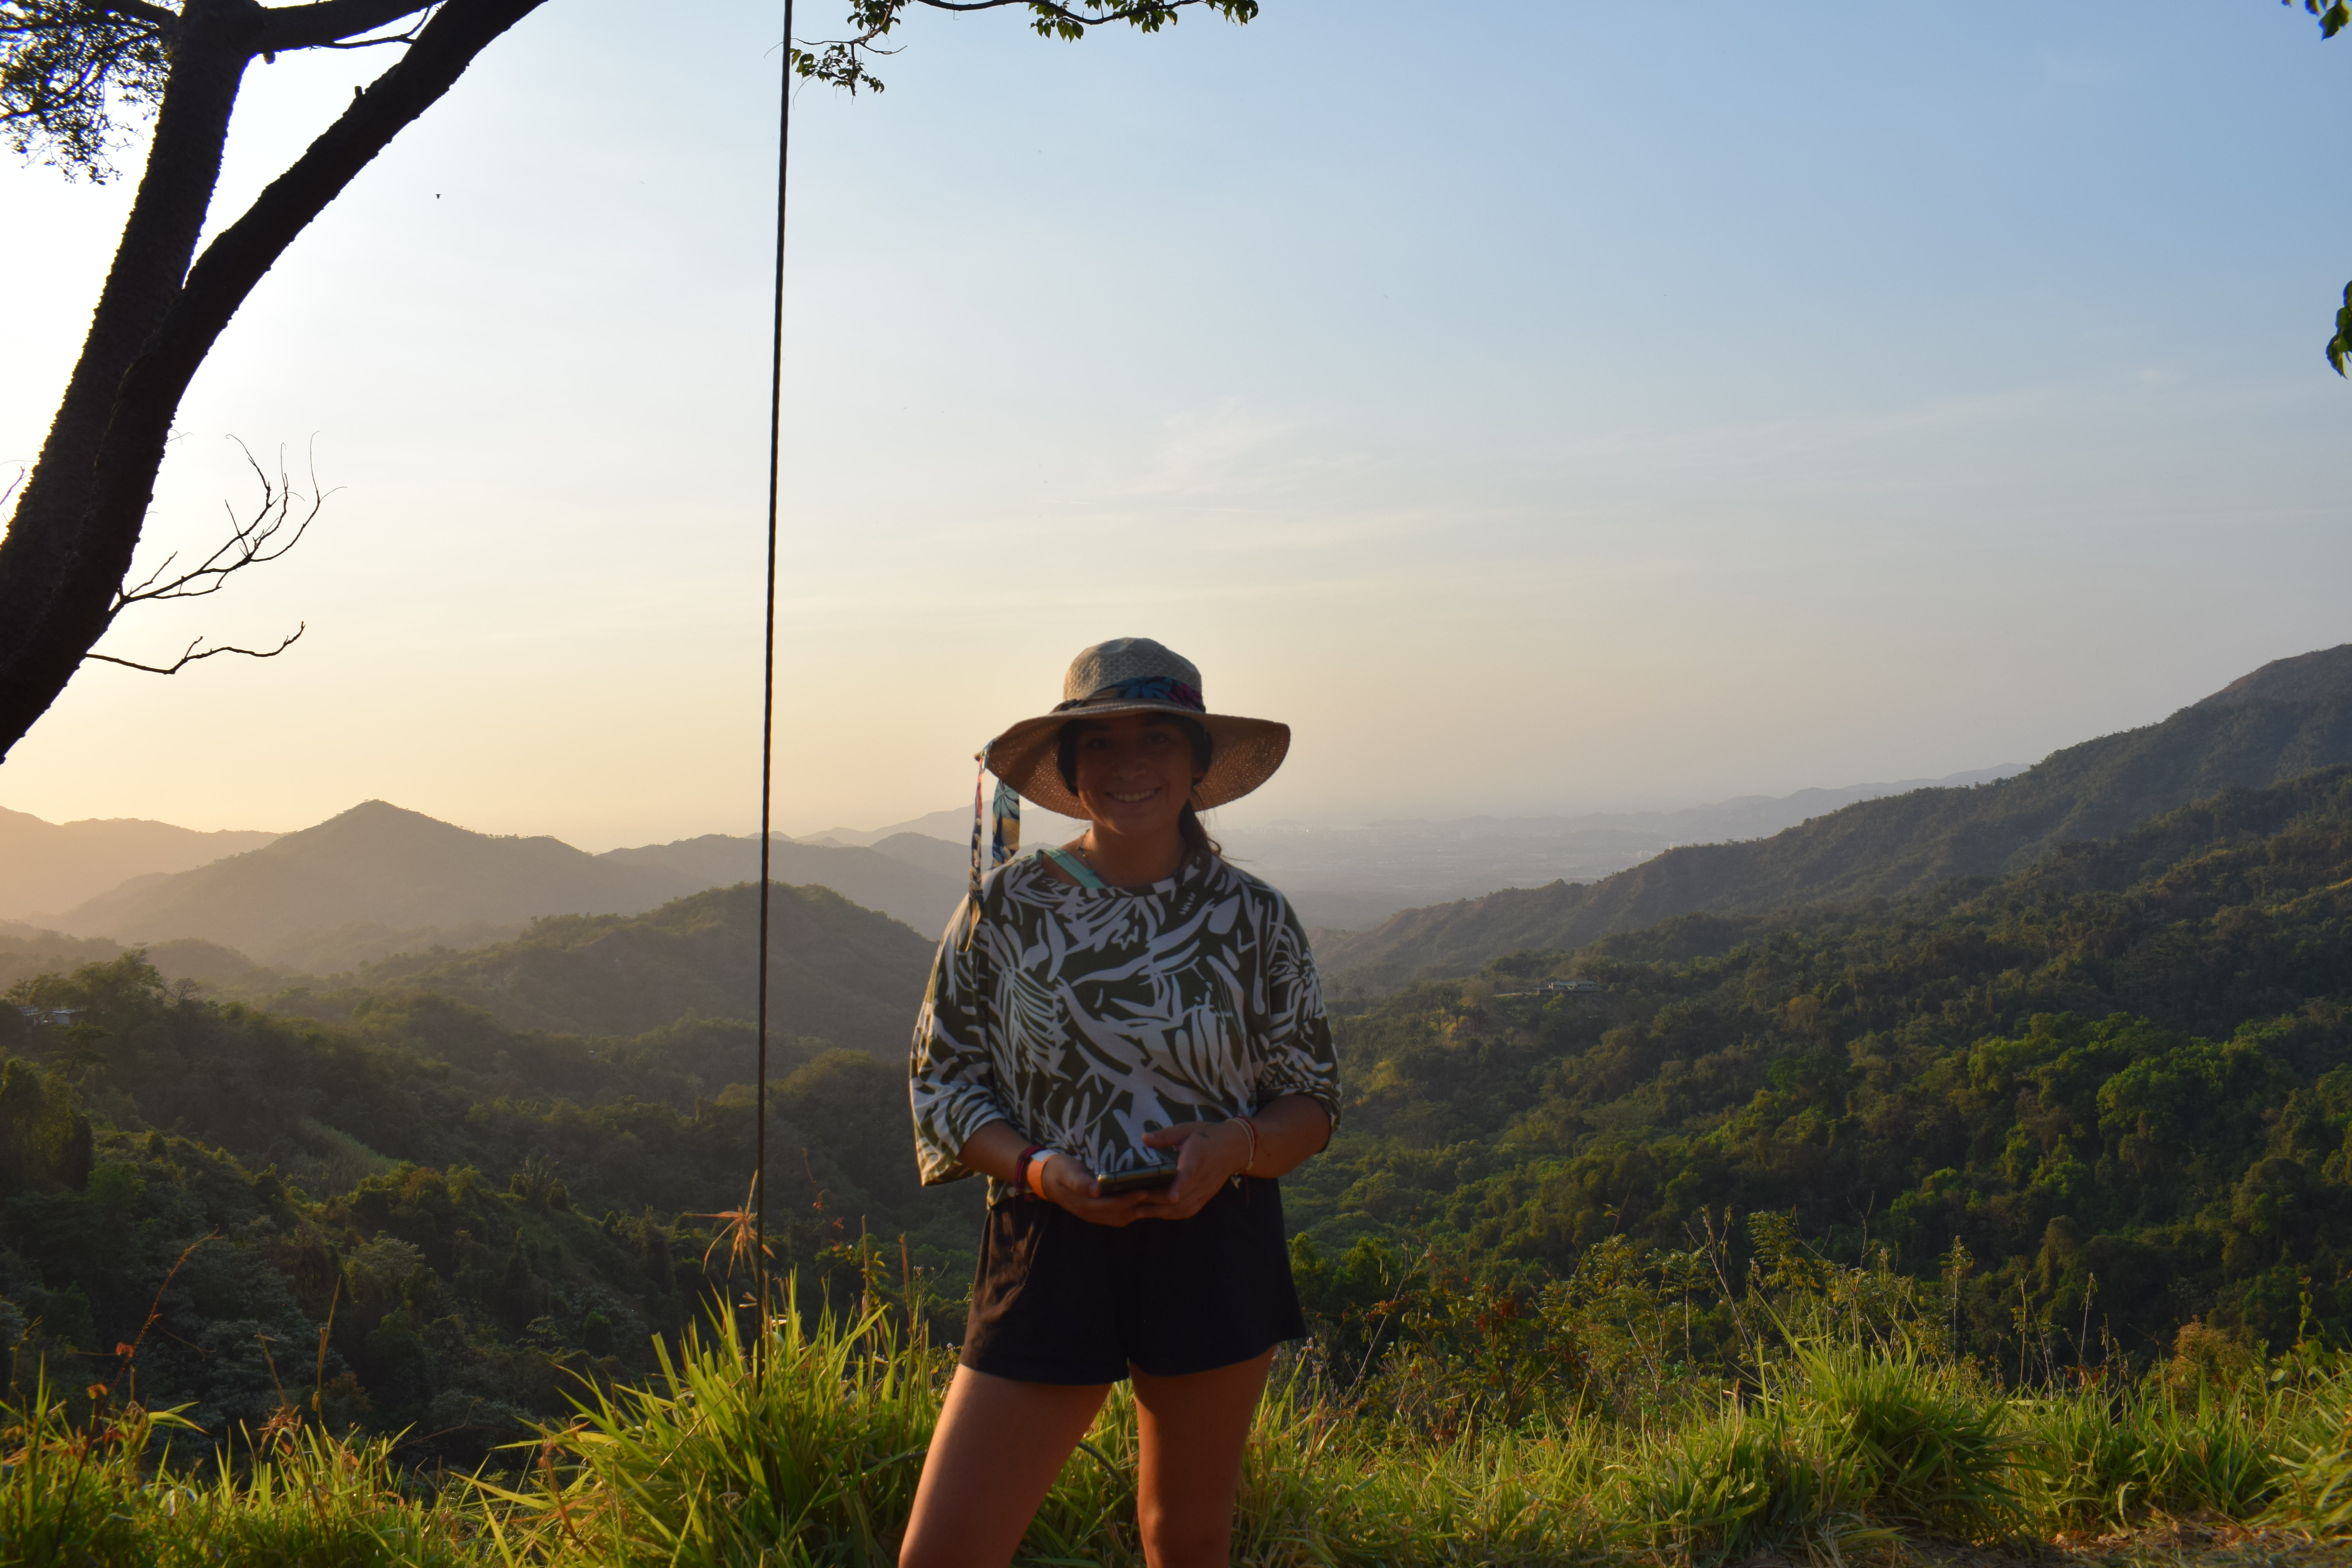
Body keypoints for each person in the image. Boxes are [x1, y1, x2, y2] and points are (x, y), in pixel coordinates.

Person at [900, 637, 1340, 1568]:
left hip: (1216, 1237)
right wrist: (1035, 1167)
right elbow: (944, 1079)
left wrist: (1234, 1145)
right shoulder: (1006, 909)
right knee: (945, 1551)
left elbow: (1310, 1101)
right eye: (1099, 742)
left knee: (1185, 1537)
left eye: (1157, 737)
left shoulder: (1254, 917)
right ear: (1069, 767)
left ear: (1196, 763)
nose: (1129, 763)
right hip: (1047, 1237)